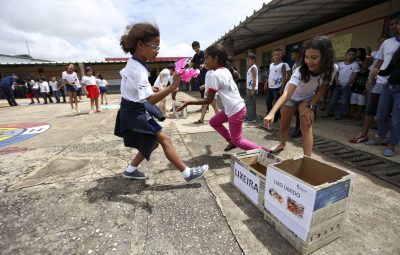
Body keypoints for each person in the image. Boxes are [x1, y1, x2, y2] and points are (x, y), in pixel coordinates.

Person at [115, 22, 208, 181]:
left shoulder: (134, 63)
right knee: (164, 139)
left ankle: (130, 170)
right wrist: (173, 86)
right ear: (140, 45)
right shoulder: (139, 70)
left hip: (130, 109)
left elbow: (137, 88)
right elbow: (150, 100)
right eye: (154, 47)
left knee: (153, 143)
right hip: (135, 112)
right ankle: (187, 173)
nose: (157, 51)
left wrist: (151, 88)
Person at [177, 44, 270, 153]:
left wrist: (189, 102)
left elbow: (208, 100)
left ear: (216, 59)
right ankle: (231, 141)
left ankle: (266, 152)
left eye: (206, 58)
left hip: (235, 110)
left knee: (238, 141)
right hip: (235, 107)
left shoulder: (214, 75)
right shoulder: (225, 70)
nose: (204, 61)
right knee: (213, 122)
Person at [264, 36, 335, 156]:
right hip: (291, 98)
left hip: (306, 98)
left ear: (325, 58)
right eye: (306, 57)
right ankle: (282, 143)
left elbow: (321, 89)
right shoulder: (300, 70)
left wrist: (311, 107)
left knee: (306, 125)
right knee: (284, 125)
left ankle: (307, 158)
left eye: (314, 57)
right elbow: (287, 94)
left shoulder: (331, 70)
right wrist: (272, 112)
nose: (309, 61)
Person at [365, 16, 400, 155]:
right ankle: (380, 137)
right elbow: (383, 64)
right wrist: (373, 76)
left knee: (397, 119)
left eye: (397, 24)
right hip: (386, 84)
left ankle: (391, 145)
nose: (394, 26)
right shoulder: (389, 43)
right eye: (392, 24)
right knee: (381, 113)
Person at [349, 37, 388, 143]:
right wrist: (369, 54)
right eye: (379, 42)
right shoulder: (375, 53)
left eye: (383, 42)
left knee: (383, 107)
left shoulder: (391, 51)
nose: (381, 44)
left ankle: (380, 132)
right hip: (375, 80)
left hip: (386, 81)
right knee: (371, 104)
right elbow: (367, 65)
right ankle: (365, 132)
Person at [325, 48, 359, 120]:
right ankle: (329, 112)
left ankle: (339, 114)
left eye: (353, 55)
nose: (351, 56)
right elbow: (336, 73)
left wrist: (346, 85)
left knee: (344, 101)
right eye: (349, 54)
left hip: (347, 86)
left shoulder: (355, 65)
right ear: (346, 55)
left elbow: (354, 75)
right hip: (338, 85)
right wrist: (336, 80)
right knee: (333, 99)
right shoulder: (340, 64)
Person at [265, 48, 287, 122]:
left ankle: (275, 117)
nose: (276, 56)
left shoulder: (282, 65)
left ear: (281, 55)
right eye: (275, 55)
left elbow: (284, 77)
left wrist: (282, 88)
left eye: (278, 54)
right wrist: (266, 83)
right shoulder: (271, 65)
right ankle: (268, 115)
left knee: (276, 103)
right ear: (273, 56)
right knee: (268, 102)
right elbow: (269, 75)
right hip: (270, 87)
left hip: (277, 87)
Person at [289, 49, 302, 137]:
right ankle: (297, 130)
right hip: (295, 90)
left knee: (301, 113)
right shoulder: (295, 64)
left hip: (302, 91)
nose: (291, 57)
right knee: (297, 112)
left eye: (293, 55)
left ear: (298, 54)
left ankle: (299, 131)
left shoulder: (302, 64)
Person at [244, 52, 258, 123]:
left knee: (251, 104)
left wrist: (253, 89)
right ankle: (248, 116)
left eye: (249, 60)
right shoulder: (250, 68)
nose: (247, 62)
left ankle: (252, 118)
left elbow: (254, 79)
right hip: (249, 88)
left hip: (251, 89)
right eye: (247, 60)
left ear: (253, 60)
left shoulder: (253, 68)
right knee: (248, 103)